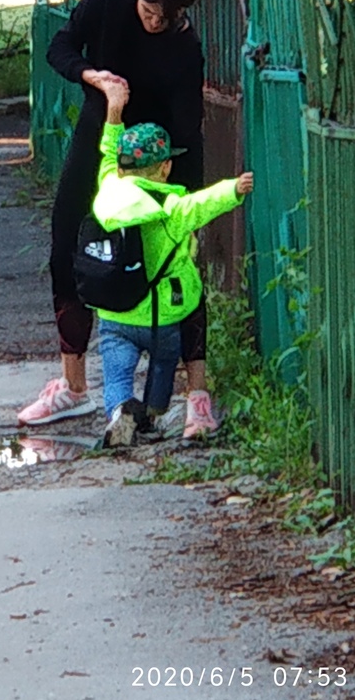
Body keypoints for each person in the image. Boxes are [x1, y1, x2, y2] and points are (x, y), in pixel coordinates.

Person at [18, 0, 215, 436]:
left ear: (180, 14)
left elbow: (189, 122)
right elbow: (60, 46)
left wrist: (171, 182)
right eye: (147, 11)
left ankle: (197, 398)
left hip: (161, 157)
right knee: (70, 244)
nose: (152, 22)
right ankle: (73, 385)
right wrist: (94, 77)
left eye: (162, 19)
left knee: (175, 261)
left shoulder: (185, 46)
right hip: (99, 138)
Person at [88, 78, 253, 446]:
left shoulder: (108, 187)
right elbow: (204, 203)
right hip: (162, 315)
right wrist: (234, 188)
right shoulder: (171, 209)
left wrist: (114, 113)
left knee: (116, 374)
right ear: (163, 169)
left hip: (114, 313)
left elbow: (108, 152)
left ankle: (118, 413)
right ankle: (150, 416)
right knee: (163, 364)